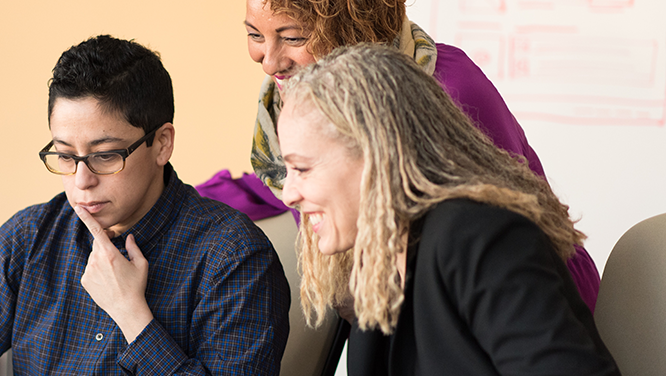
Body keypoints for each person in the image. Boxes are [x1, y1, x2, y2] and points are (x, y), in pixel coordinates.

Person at [0, 35, 291, 376]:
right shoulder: (31, 236)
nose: (82, 181)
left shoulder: (234, 257)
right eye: (65, 156)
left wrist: (132, 315)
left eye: (105, 155)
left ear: (162, 144)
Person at [277, 43, 626, 376]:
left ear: (376, 156)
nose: (289, 194)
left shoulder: (479, 238)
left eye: (302, 168)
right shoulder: (380, 259)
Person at [240, 0, 601, 312]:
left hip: (526, 308)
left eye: (292, 37)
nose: (269, 63)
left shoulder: (446, 89)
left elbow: (508, 244)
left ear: (351, 26)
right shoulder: (287, 102)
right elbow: (298, 185)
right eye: (255, 35)